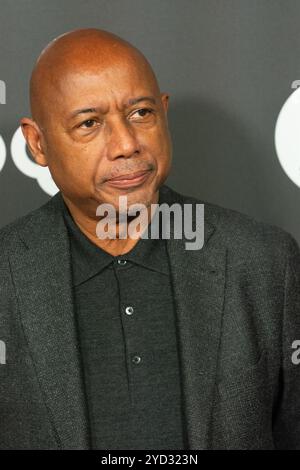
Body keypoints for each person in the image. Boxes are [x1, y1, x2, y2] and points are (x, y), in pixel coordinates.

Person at [0, 28, 299, 450]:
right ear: (37, 142)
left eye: (141, 114)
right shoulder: (6, 274)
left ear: (163, 112)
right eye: (90, 123)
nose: (126, 144)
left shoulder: (264, 261)